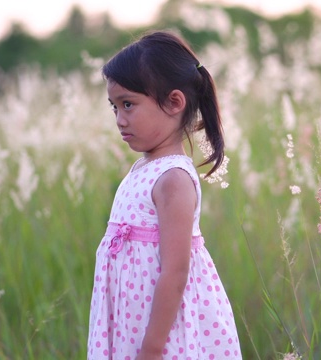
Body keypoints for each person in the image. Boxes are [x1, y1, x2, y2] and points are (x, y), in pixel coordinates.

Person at [87, 31, 242, 360]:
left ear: (174, 102)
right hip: (132, 321)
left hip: (161, 332)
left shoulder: (173, 179)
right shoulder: (142, 168)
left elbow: (175, 271)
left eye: (128, 104)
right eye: (114, 107)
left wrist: (153, 347)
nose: (119, 119)